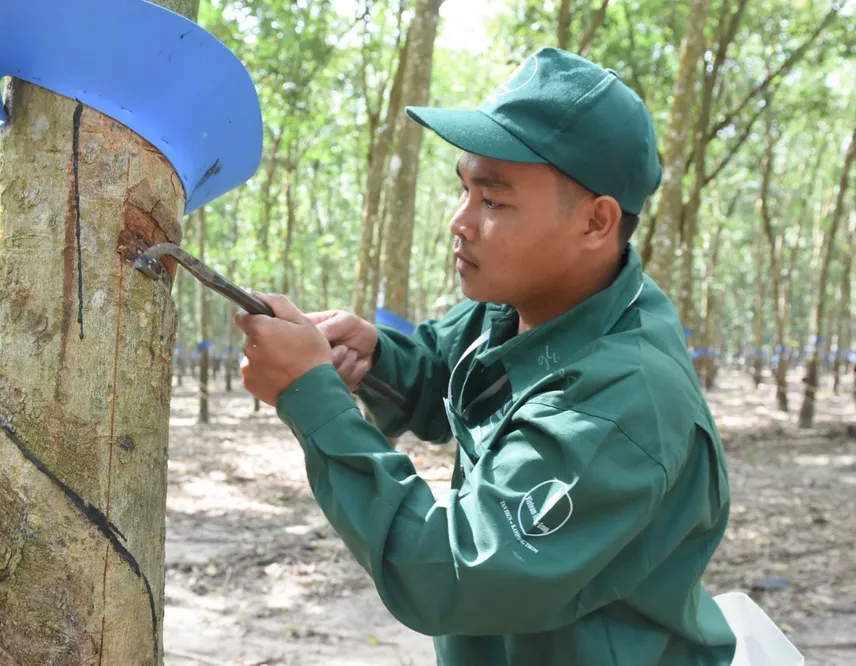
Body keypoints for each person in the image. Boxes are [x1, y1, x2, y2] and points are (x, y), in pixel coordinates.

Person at [234, 47, 736, 666]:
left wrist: (310, 395)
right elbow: (445, 376)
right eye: (464, 189)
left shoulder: (622, 403)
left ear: (596, 222)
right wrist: (375, 357)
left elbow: (448, 572)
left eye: (493, 201)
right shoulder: (527, 304)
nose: (459, 221)